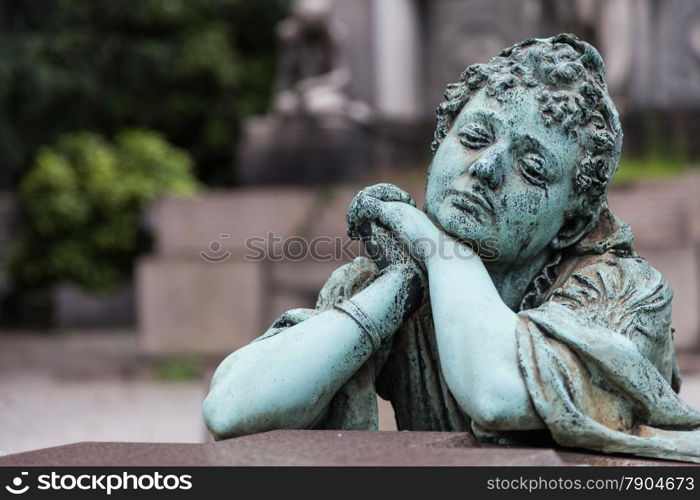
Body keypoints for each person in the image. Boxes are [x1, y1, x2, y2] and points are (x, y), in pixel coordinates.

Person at [204, 34, 700, 462]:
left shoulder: (626, 293)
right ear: (440, 140)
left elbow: (500, 395)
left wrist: (442, 248)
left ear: (569, 224)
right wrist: (402, 284)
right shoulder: (393, 276)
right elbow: (232, 408)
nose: (486, 168)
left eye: (531, 169)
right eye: (475, 136)